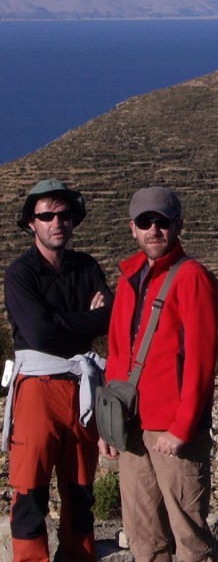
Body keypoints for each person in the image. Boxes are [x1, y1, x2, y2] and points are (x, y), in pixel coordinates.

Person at [98, 186, 218, 562]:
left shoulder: (193, 277)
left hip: (173, 433)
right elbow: (118, 354)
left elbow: (202, 359)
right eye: (144, 222)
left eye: (162, 222)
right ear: (132, 228)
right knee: (143, 537)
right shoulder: (129, 278)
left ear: (178, 225)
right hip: (132, 428)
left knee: (190, 539)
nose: (154, 229)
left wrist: (182, 428)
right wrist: (109, 425)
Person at [2, 179, 113, 562]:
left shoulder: (87, 266)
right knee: (30, 489)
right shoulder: (20, 274)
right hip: (37, 388)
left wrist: (64, 322)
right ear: (31, 222)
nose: (56, 222)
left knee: (81, 488)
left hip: (82, 386)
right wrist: (88, 318)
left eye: (63, 215)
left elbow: (111, 318)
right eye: (46, 215)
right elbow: (37, 332)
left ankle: (78, 556)